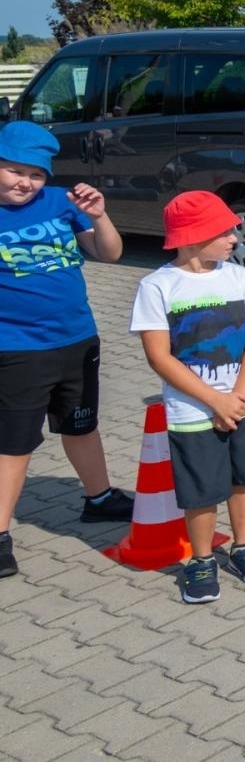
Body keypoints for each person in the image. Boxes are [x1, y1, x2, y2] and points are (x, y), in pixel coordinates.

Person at [130, 192, 245, 604]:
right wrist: (214, 402)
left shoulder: (240, 278)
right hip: (192, 409)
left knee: (244, 476)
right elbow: (159, 357)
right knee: (201, 488)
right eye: (223, 231)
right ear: (191, 236)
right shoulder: (157, 286)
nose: (234, 238)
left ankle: (244, 546)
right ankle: (201, 559)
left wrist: (238, 395)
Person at [0, 122, 133, 580]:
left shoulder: (61, 203)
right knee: (14, 443)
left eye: (36, 174)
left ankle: (99, 498)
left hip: (76, 339)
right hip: (16, 350)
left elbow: (109, 253)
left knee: (81, 424)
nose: (25, 182)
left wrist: (99, 215)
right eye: (14, 170)